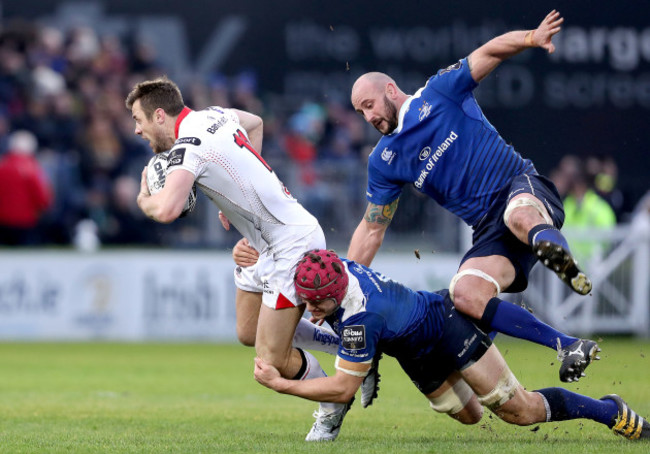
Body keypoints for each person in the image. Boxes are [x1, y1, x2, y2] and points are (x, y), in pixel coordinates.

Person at [347, 10, 598, 382]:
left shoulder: (439, 91)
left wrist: (532, 37)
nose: (366, 117)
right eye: (359, 112)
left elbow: (490, 51)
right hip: (488, 230)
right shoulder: (385, 161)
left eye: (368, 105)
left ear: (389, 90)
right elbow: (372, 229)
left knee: (518, 215)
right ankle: (568, 344)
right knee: (464, 293)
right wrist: (348, 283)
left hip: (521, 186)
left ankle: (561, 259)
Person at [125, 77, 373, 441]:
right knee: (247, 332)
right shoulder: (215, 114)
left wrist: (143, 197)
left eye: (139, 119)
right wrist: (239, 188)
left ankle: (332, 405)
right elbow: (254, 122)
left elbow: (166, 210)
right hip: (266, 244)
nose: (136, 129)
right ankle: (348, 346)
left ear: (159, 115)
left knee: (270, 362)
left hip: (291, 244)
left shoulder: (188, 146)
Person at [254, 249, 649, 442]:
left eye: (317, 302)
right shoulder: (333, 266)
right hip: (414, 352)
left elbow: (341, 389)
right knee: (471, 416)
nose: (311, 310)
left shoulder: (361, 317)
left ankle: (609, 411)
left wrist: (280, 384)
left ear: (337, 292)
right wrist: (256, 256)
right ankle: (483, 334)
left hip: (444, 328)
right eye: (306, 301)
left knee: (518, 411)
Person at [0, 130, 53, 245]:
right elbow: (42, 196)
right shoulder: (32, 168)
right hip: (26, 220)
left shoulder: (2, 165)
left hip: (2, 219)